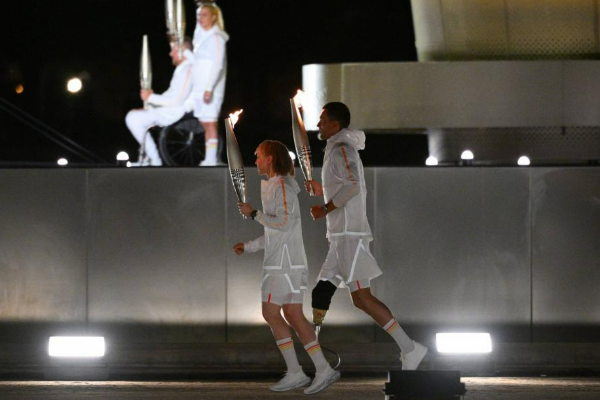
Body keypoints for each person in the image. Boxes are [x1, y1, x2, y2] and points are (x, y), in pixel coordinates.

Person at [306, 102, 428, 370]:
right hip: (341, 235)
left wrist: (325, 208)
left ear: (335, 125)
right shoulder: (336, 148)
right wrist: (321, 190)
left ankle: (410, 348)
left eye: (322, 119)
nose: (318, 124)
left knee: (361, 297)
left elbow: (352, 185)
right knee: (323, 290)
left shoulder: (340, 148)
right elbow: (343, 186)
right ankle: (315, 359)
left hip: (350, 234)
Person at [233, 140, 340, 394]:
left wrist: (252, 214)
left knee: (271, 313)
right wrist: (248, 247)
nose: (255, 160)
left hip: (283, 265)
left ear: (270, 158)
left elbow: (280, 223)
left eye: (258, 156)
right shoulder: (275, 186)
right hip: (286, 262)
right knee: (292, 315)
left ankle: (300, 371)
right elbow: (275, 232)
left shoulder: (281, 186)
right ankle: (318, 370)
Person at [125, 39, 194, 166]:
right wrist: (151, 103)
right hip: (168, 110)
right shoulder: (182, 70)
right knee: (136, 114)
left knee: (132, 118)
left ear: (182, 52)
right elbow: (170, 95)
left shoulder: (187, 70)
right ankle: (149, 157)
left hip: (175, 112)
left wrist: (151, 98)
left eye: (173, 50)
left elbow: (177, 100)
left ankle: (154, 160)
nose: (170, 53)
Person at [192, 2, 228, 166]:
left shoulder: (216, 38)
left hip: (211, 89)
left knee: (210, 122)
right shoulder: (201, 37)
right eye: (199, 15)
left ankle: (211, 159)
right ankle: (210, 157)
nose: (201, 18)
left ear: (214, 17)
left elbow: (218, 64)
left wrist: (209, 88)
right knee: (205, 122)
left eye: (205, 15)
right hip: (199, 88)